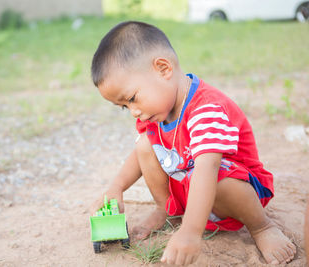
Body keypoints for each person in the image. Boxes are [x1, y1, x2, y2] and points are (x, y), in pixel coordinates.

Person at [89, 21, 296, 266]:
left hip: (234, 190)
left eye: (133, 98)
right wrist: (117, 186)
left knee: (218, 178)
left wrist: (190, 232)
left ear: (163, 68)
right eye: (125, 107)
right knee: (146, 144)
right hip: (190, 186)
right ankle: (168, 210)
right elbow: (140, 154)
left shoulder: (206, 108)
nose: (133, 111)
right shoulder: (157, 110)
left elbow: (207, 170)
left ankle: (262, 226)